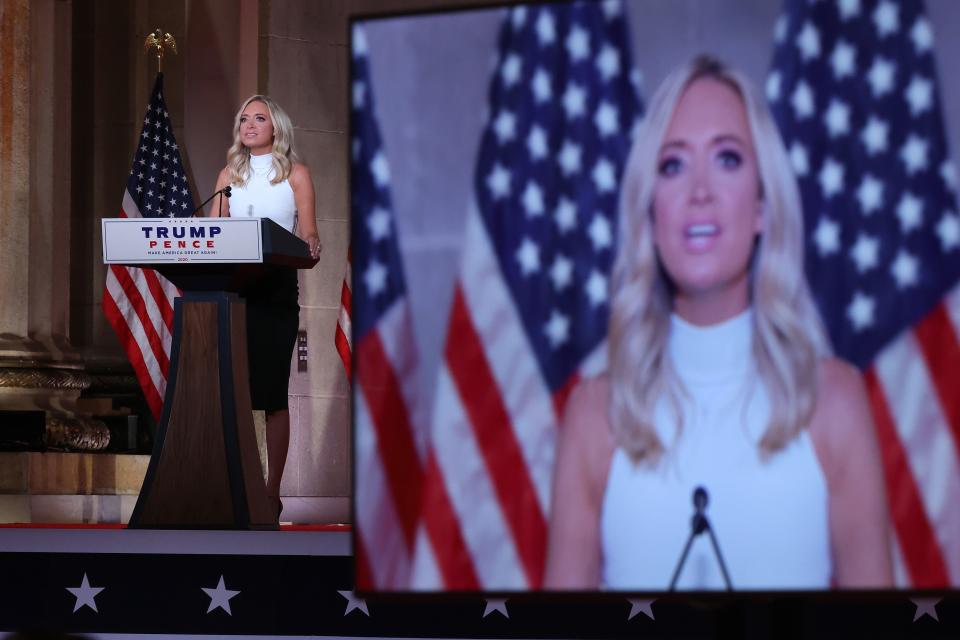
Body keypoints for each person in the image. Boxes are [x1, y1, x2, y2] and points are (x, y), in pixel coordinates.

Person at [543, 56, 893, 590]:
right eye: (673, 165)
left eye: (727, 159)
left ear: (761, 205)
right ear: (649, 213)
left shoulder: (834, 403)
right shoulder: (595, 417)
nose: (699, 191)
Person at [210, 94, 321, 520]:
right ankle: (234, 483)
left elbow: (308, 236)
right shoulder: (228, 174)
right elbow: (212, 235)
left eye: (259, 118)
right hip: (234, 289)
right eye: (244, 118)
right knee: (233, 393)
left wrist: (311, 243)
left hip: (275, 290)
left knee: (272, 394)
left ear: (276, 127)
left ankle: (271, 492)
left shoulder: (296, 174)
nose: (250, 124)